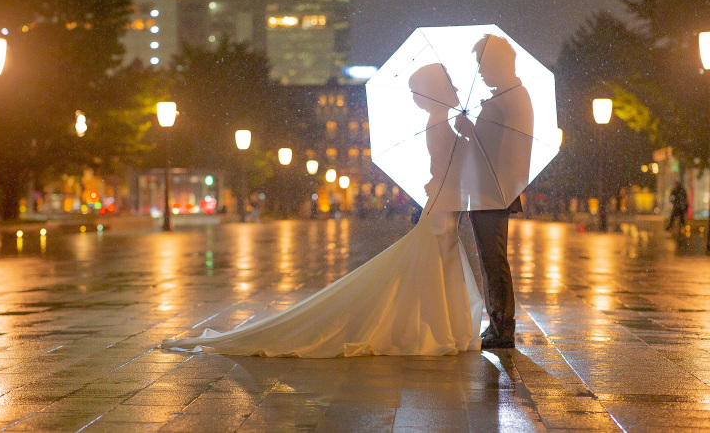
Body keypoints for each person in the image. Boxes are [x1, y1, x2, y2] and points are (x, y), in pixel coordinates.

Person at [162, 63, 484, 357]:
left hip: (443, 202)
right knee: (434, 260)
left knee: (436, 261)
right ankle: (435, 329)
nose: (415, 99)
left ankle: (435, 328)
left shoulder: (442, 122)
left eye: (418, 92)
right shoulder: (441, 122)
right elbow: (448, 167)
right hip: (442, 203)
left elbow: (446, 166)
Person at [467, 34, 533, 350]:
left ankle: (503, 327)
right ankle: (497, 322)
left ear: (497, 63)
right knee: (490, 259)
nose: (480, 72)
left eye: (482, 64)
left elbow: (501, 152)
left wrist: (471, 133)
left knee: (494, 259)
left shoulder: (510, 98)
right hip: (489, 189)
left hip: (494, 189)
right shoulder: (506, 97)